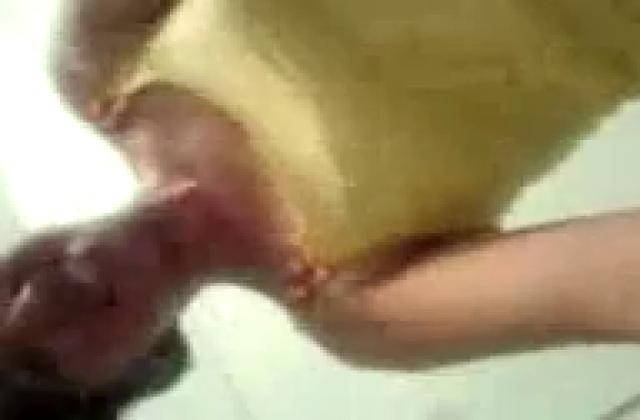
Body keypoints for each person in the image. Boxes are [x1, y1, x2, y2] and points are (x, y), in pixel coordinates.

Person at [2, 0, 639, 408]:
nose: (32, 302)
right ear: (118, 381)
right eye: (32, 367)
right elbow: (610, 282)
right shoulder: (366, 312)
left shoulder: (98, 69)